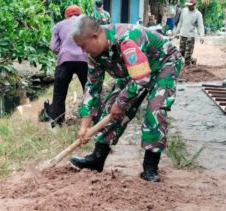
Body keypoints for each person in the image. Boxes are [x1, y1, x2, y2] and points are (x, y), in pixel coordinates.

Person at [70, 16, 182, 182]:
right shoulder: (95, 54)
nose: (82, 51)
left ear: (95, 37)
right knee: (110, 107)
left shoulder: (127, 39)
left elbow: (142, 78)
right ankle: (97, 158)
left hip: (163, 63)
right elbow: (92, 88)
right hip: (134, 71)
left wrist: (121, 103)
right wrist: (84, 127)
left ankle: (150, 167)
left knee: (155, 110)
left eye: (83, 46)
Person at [44, 5, 89, 127]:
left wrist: (64, 50)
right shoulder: (85, 24)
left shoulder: (58, 25)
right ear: (80, 15)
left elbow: (53, 47)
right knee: (90, 91)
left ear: (66, 15)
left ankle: (58, 122)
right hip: (84, 60)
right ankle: (93, 119)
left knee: (59, 93)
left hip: (64, 60)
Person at [174, 1, 205, 66]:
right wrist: (177, 32)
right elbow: (180, 22)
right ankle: (193, 60)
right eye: (187, 5)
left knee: (187, 55)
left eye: (190, 5)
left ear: (194, 5)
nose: (188, 6)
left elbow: (200, 25)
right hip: (183, 35)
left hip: (190, 36)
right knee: (181, 53)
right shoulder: (184, 11)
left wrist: (202, 36)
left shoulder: (198, 14)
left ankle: (187, 70)